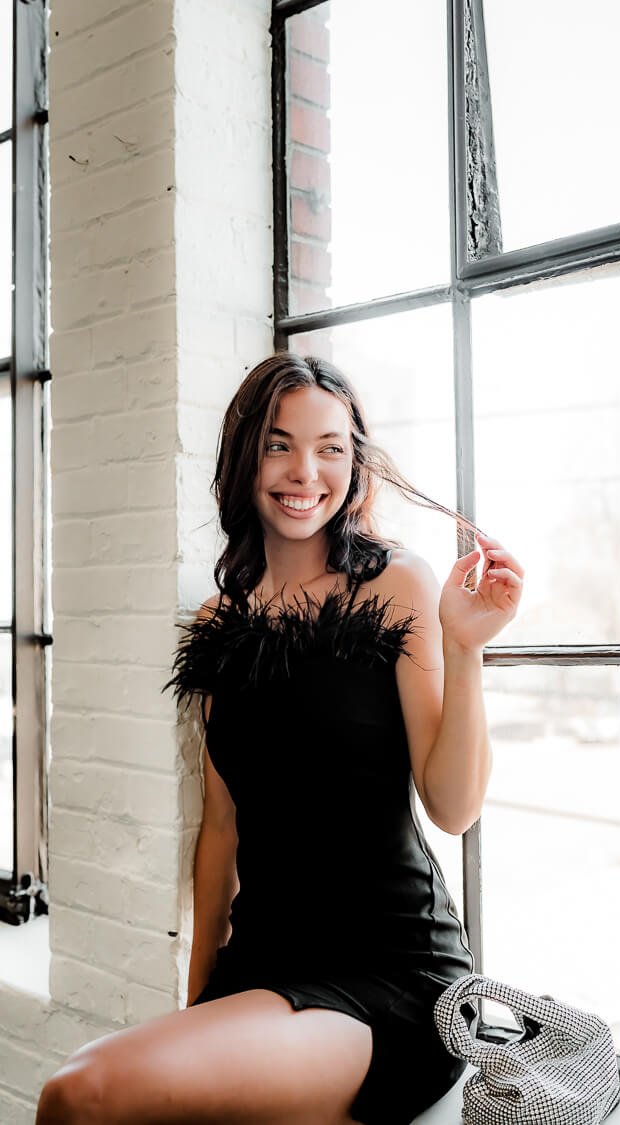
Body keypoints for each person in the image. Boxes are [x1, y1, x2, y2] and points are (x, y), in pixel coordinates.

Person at [35, 352, 524, 1125]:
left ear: (352, 462)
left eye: (330, 446)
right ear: (244, 457)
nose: (305, 471)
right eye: (279, 443)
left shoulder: (398, 584)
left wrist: (465, 650)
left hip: (389, 977)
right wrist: (197, 1003)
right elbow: (221, 832)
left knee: (77, 1094)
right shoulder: (217, 626)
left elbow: (453, 806)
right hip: (263, 970)